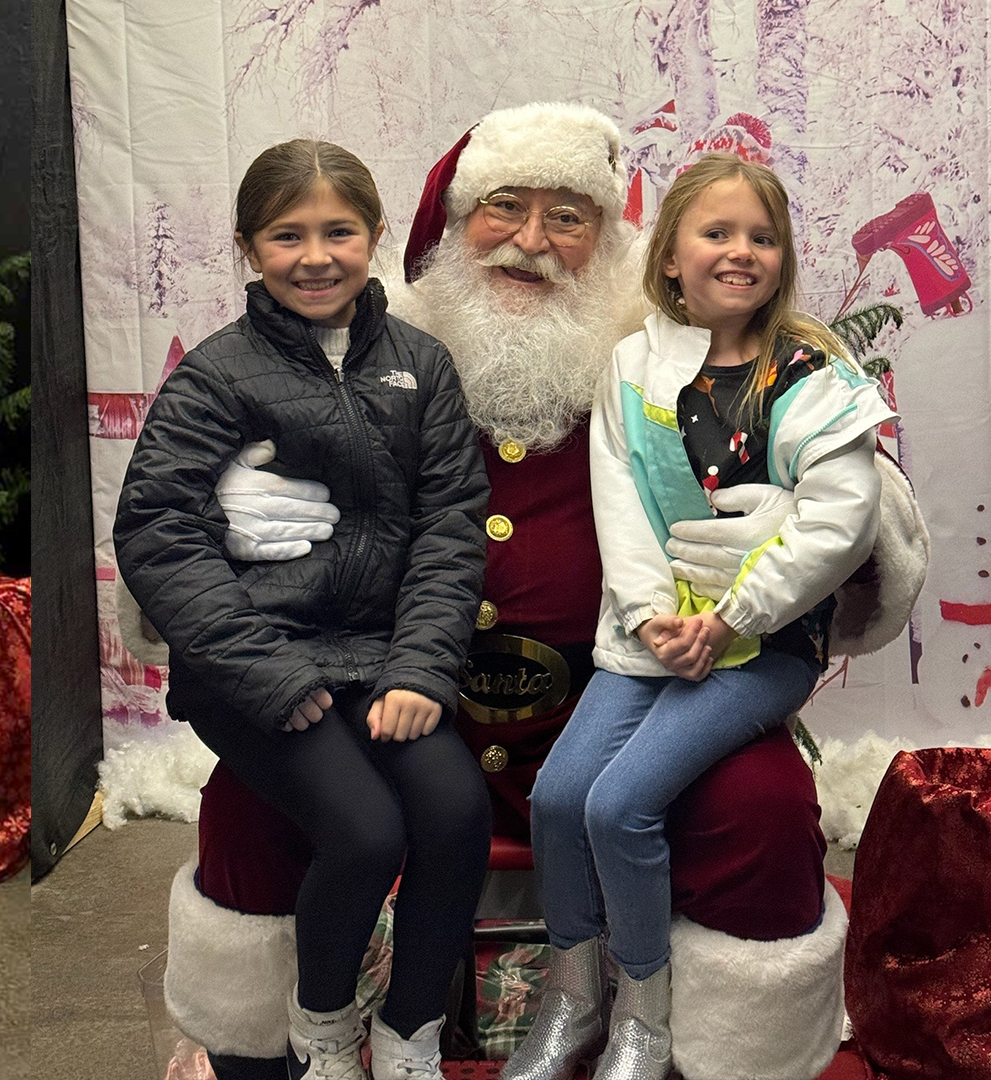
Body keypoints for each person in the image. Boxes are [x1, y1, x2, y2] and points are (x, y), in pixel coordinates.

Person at [171, 103, 926, 1080]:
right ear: (445, 230)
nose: (532, 243)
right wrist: (222, 512)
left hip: (631, 712)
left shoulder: (665, 359)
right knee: (251, 801)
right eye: (503, 208)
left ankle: (707, 1052)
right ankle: (273, 1056)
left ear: (614, 242)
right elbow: (175, 536)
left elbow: (850, 490)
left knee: (765, 805)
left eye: (568, 216)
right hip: (392, 716)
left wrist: (824, 523)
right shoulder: (354, 360)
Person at [504, 153, 894, 1080]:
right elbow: (621, 499)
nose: (741, 252)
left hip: (763, 644)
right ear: (671, 256)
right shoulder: (635, 365)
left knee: (622, 803)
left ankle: (645, 1013)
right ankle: (573, 993)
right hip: (654, 640)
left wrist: (734, 614)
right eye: (716, 233)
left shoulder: (809, 372)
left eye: (761, 237)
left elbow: (844, 521)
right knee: (559, 797)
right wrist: (647, 617)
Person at [118, 139, 492, 1080]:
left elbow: (451, 524)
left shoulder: (423, 366)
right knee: (364, 831)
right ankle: (321, 1031)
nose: (316, 255)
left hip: (381, 659)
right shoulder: (216, 374)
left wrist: (420, 669)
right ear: (249, 248)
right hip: (257, 666)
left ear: (373, 236)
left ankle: (411, 1034)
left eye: (339, 231)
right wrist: (266, 674)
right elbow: (158, 529)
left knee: (453, 815)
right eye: (289, 235)